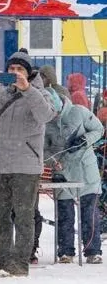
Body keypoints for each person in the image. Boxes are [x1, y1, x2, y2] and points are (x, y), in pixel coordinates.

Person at [0, 51, 56, 276]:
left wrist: (27, 89)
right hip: (0, 163)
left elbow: (45, 115)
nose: (15, 73)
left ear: (28, 73)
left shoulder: (41, 93)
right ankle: (2, 259)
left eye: (20, 70)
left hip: (26, 166)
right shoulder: (1, 91)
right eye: (11, 70)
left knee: (24, 215)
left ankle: (20, 262)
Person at [49, 90, 104, 263]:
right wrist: (53, 161)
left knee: (89, 214)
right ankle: (66, 251)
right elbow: (42, 149)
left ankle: (93, 251)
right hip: (63, 172)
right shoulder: (45, 122)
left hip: (86, 171)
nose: (54, 115)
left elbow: (99, 129)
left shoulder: (79, 111)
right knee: (65, 214)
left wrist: (84, 140)